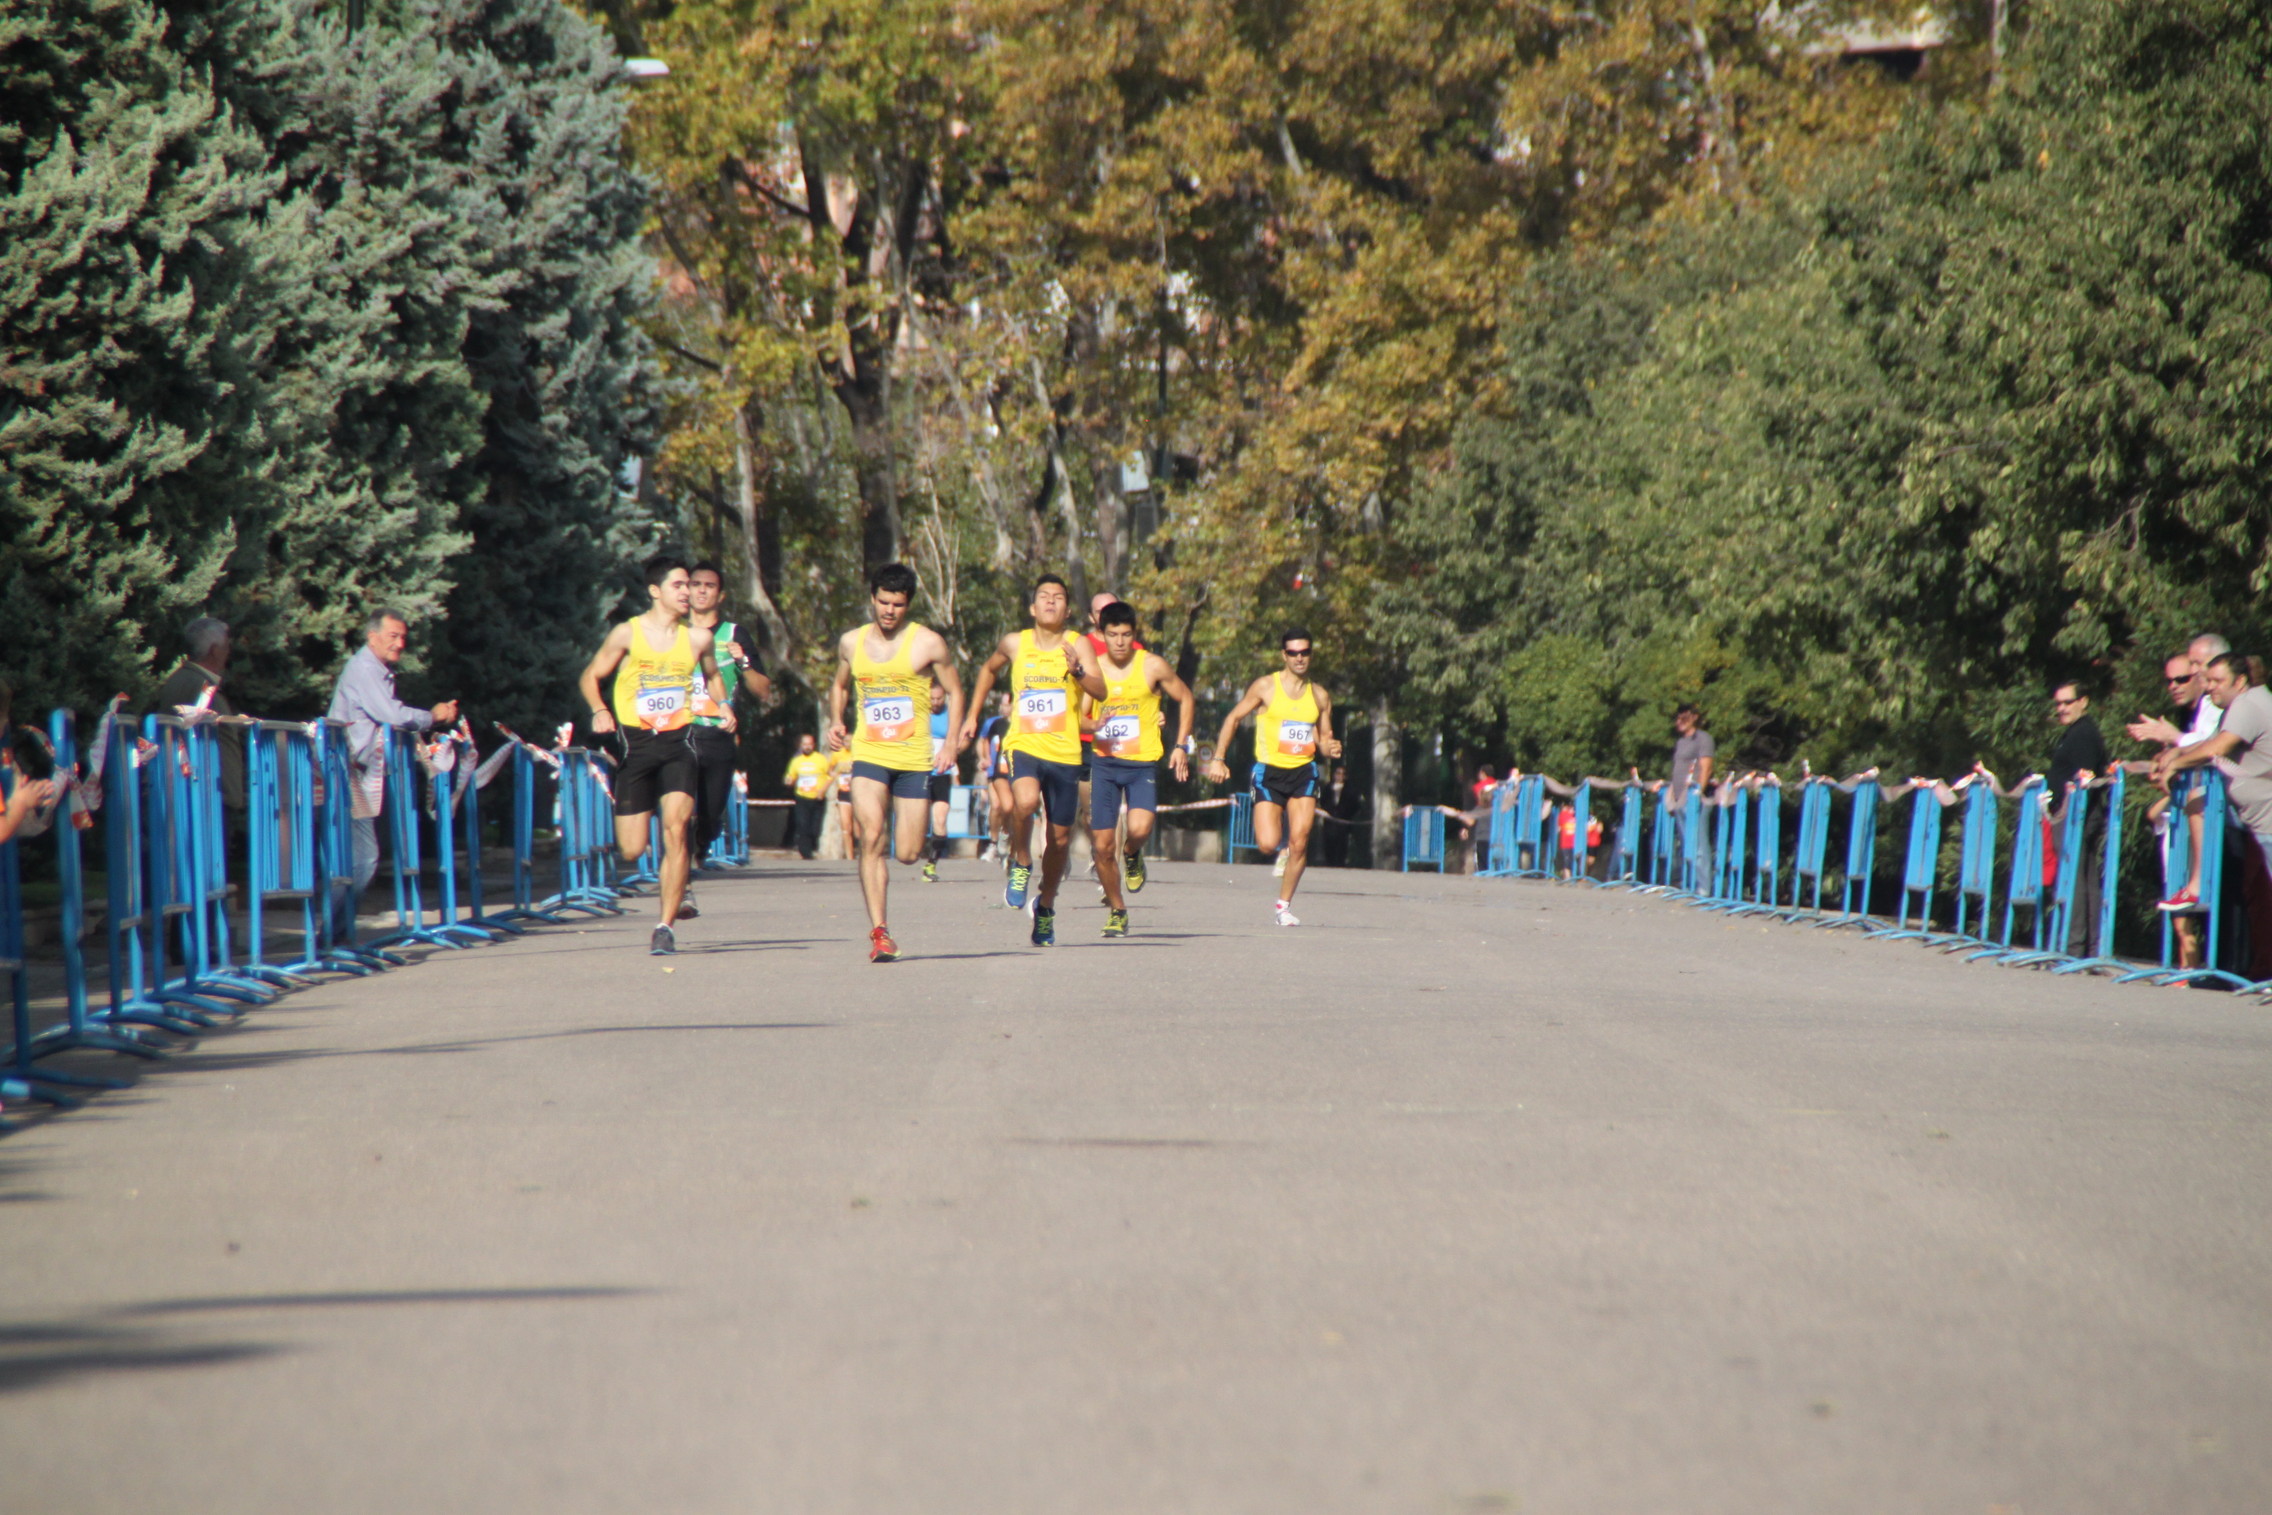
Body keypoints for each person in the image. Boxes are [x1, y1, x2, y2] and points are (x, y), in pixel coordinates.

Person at [576, 555, 731, 956]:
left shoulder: (697, 639)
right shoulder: (627, 634)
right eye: (679, 585)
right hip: (637, 747)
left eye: (690, 585)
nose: (688, 592)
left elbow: (713, 675)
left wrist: (723, 705)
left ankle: (665, 926)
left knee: (677, 829)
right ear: (655, 591)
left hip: (679, 745)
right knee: (631, 848)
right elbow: (590, 676)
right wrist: (599, 709)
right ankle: (668, 879)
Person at [826, 562, 965, 962]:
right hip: (869, 755)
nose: (889, 611)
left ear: (908, 604)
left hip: (913, 759)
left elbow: (955, 691)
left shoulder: (928, 644)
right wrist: (836, 719)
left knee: (906, 852)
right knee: (871, 835)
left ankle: (904, 864)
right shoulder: (851, 643)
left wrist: (951, 744)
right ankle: (880, 932)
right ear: (873, 598)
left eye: (898, 604)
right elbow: (839, 685)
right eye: (883, 602)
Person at [961, 574, 1108, 947]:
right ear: (1032, 607)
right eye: (1044, 596)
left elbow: (1100, 689)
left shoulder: (1078, 644)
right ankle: (1022, 861)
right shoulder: (1015, 642)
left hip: (1065, 753)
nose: (1051, 601)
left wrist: (1078, 671)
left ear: (1067, 610)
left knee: (1059, 841)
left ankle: (1045, 906)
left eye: (1058, 597)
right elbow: (988, 670)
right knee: (1024, 802)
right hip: (1024, 744)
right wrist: (972, 715)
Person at [326, 609, 461, 937]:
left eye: (403, 637)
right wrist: (433, 716)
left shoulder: (374, 669)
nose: (400, 644)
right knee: (364, 857)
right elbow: (391, 715)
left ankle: (337, 934)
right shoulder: (365, 668)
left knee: (359, 856)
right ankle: (332, 934)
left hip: (355, 773)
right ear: (372, 637)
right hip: (347, 773)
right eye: (393, 636)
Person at [1204, 628, 1343, 926]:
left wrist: (1330, 747)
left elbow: (1324, 741)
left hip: (1304, 773)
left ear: (1311, 654)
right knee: (1267, 844)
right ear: (1284, 655)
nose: (1299, 658)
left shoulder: (1320, 696)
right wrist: (1218, 758)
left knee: (1300, 842)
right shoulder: (1266, 686)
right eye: (1293, 653)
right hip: (1269, 772)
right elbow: (1233, 717)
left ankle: (1283, 907)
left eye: (1304, 652)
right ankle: (1281, 849)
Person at [2154, 652, 2272, 980]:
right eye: (2208, 681)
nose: (2210, 688)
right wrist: (2176, 754)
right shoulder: (2242, 706)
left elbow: (2217, 748)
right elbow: (2211, 743)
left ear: (2240, 681)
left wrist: (2176, 763)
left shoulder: (2248, 704)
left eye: (2218, 681)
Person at [1082, 601, 1194, 936]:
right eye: (1112, 634)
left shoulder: (1152, 665)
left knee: (1140, 828)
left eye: (1126, 634)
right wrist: (1094, 724)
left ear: (1134, 634)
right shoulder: (1094, 670)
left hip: (1141, 763)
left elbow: (1186, 698)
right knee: (1102, 847)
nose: (1119, 642)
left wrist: (1180, 746)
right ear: (1102, 634)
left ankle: (1132, 852)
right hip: (1104, 764)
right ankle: (1117, 910)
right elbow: (1079, 717)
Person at [685, 561, 775, 902]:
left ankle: (700, 846)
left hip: (718, 736)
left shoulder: (734, 634)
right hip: (680, 734)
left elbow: (763, 690)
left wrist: (743, 662)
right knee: (679, 811)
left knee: (709, 815)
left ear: (720, 595)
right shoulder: (672, 631)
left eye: (709, 585)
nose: (701, 590)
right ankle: (681, 875)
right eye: (696, 584)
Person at [2131, 633, 2229, 913]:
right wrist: (2165, 759)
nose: (2194, 672)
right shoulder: (2202, 706)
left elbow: (2215, 742)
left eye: (2194, 667)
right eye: (2170, 681)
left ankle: (2196, 886)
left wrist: (2175, 746)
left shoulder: (2228, 703)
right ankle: (2189, 890)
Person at [150, 616, 247, 814]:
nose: (229, 652)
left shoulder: (186, 680)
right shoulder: (199, 686)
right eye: (226, 646)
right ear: (214, 650)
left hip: (202, 793)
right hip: (208, 797)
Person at [2047, 679, 2110, 953]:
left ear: (2083, 702)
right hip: (2074, 814)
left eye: (2067, 702)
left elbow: (2085, 777)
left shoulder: (2083, 733)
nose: (2061, 708)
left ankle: (2076, 946)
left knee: (2076, 879)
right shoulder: (2076, 732)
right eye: (2058, 703)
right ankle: (2087, 946)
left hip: (2077, 815)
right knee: (2083, 877)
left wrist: (2072, 811)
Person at [974, 691, 1012, 862]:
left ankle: (1007, 839)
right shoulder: (993, 723)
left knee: (1010, 808)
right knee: (996, 805)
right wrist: (984, 758)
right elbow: (983, 741)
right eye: (1002, 704)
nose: (1004, 707)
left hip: (1014, 771)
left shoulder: (1020, 723)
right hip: (995, 770)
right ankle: (993, 843)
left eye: (1007, 704)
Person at [782, 733, 832, 860]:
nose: (807, 747)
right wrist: (789, 781)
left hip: (817, 798)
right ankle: (805, 852)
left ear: (813, 745)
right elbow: (791, 776)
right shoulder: (796, 761)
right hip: (802, 797)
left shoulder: (821, 759)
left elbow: (830, 776)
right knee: (802, 825)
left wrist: (823, 791)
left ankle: (811, 845)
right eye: (805, 744)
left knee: (815, 828)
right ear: (801, 745)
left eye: (809, 744)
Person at [922, 682, 953, 882]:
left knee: (940, 819)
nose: (935, 702)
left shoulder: (951, 716)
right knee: (917, 821)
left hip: (942, 773)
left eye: (939, 698)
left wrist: (952, 752)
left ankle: (931, 865)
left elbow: (962, 740)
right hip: (919, 772)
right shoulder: (919, 714)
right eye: (931, 698)